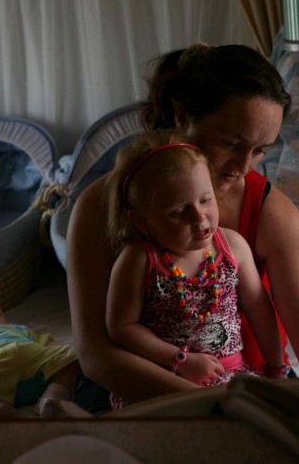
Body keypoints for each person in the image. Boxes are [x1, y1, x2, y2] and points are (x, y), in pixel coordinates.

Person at [66, 43, 299, 411]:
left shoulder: (270, 213)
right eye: (230, 144)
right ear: (183, 116)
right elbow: (97, 353)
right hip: (135, 384)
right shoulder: (101, 205)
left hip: (249, 383)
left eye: (260, 150)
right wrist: (209, 408)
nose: (243, 166)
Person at [104, 131, 288, 408]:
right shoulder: (139, 259)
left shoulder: (232, 246)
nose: (199, 218)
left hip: (234, 376)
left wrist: (276, 369)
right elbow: (121, 327)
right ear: (142, 221)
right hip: (168, 379)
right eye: (179, 212)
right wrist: (180, 359)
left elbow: (260, 309)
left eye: (205, 201)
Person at [0, 296, 90, 420]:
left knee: (70, 353)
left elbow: (48, 343)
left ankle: (54, 395)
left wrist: (61, 356)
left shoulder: (19, 329)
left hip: (31, 363)